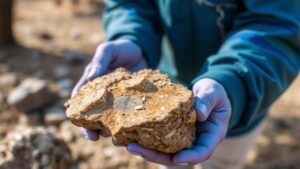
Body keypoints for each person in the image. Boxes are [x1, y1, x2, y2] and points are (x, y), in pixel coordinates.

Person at [71, 1, 300, 169]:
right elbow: (131, 4)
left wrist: (233, 82)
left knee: (225, 162)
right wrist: (132, 36)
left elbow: (276, 26)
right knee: (171, 160)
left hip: (238, 99)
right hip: (160, 89)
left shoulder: (237, 91)